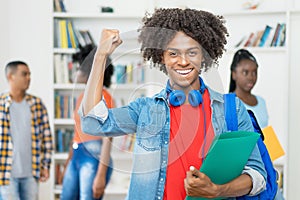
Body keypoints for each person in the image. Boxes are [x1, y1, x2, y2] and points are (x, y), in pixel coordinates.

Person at [80, 8, 267, 200]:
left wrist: (217, 190)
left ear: (204, 55)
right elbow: (93, 122)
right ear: (162, 57)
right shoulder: (146, 110)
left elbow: (258, 176)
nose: (183, 61)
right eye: (173, 53)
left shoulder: (231, 109)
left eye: (192, 52)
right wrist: (100, 56)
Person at [229, 49, 285, 200]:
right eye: (245, 72)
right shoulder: (230, 105)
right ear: (234, 74)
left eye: (254, 72)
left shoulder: (261, 102)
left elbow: (265, 134)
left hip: (266, 163)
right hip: (245, 168)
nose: (251, 77)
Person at [60, 46, 114, 200]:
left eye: (79, 68)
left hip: (93, 156)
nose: (76, 72)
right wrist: (68, 162)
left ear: (90, 71)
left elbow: (108, 139)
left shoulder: (104, 97)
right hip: (77, 154)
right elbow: (77, 132)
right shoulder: (82, 97)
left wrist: (101, 175)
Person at [0, 61, 53, 200]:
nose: (29, 78)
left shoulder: (37, 104)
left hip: (31, 174)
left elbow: (47, 138)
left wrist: (46, 165)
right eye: (24, 74)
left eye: (29, 74)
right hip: (6, 174)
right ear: (11, 76)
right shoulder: (0, 104)